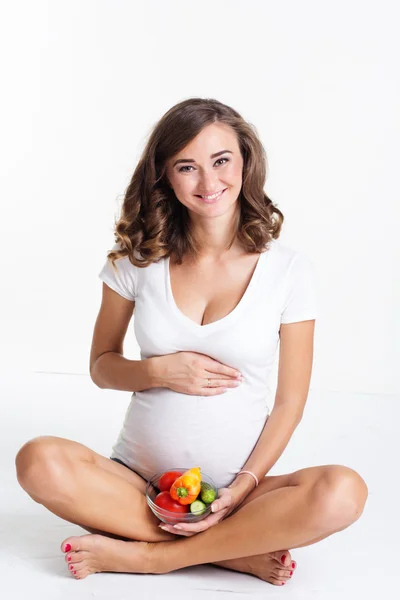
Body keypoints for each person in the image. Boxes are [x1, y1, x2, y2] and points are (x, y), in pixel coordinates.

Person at [15, 97, 368, 585]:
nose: (209, 182)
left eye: (221, 161)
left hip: (237, 492)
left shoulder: (289, 272)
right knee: (37, 460)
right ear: (164, 176)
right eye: (187, 167)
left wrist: (244, 487)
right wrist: (156, 371)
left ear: (245, 161)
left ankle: (151, 556)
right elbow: (102, 365)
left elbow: (289, 403)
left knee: (343, 491)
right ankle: (229, 551)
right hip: (137, 486)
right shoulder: (135, 261)